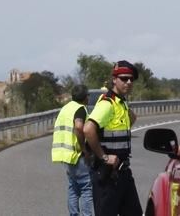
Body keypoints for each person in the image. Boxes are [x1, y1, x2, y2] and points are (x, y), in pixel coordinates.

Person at [84, 61, 141, 216]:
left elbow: (127, 123)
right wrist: (104, 157)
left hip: (123, 173)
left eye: (131, 79)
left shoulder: (121, 102)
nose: (128, 82)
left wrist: (130, 116)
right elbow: (88, 129)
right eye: (124, 78)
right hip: (107, 175)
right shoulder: (107, 103)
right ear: (114, 79)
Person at [52, 84, 94, 216]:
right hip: (77, 155)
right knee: (87, 189)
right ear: (85, 97)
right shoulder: (80, 109)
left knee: (73, 189)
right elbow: (78, 127)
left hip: (66, 155)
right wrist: (85, 150)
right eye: (88, 95)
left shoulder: (65, 108)